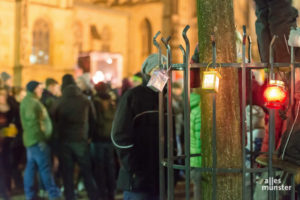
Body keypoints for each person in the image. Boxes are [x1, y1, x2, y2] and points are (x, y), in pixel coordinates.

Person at [111, 54, 165, 200]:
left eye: (166, 70)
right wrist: (133, 166)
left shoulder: (165, 99)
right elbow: (119, 135)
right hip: (138, 180)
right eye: (159, 69)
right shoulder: (133, 96)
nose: (163, 73)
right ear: (148, 73)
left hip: (161, 178)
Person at [52, 74, 99, 200]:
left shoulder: (59, 101)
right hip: (81, 141)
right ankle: (93, 196)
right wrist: (89, 137)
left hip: (64, 142)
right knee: (87, 172)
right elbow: (93, 120)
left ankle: (70, 197)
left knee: (67, 174)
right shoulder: (85, 100)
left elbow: (54, 122)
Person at [20, 81, 61, 200]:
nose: (41, 90)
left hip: (32, 140)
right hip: (37, 141)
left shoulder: (30, 101)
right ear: (33, 89)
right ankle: (53, 193)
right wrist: (42, 137)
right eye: (39, 88)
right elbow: (33, 122)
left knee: (31, 167)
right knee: (45, 168)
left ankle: (30, 194)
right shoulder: (31, 102)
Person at [91, 81, 116, 200]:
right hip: (110, 138)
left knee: (99, 167)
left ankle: (102, 193)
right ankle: (112, 192)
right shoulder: (111, 101)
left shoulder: (95, 101)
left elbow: (94, 120)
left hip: (98, 139)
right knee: (110, 166)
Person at [190, 92, 202, 200]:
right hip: (200, 161)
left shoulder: (194, 110)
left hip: (194, 159)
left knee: (197, 191)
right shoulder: (200, 111)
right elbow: (200, 140)